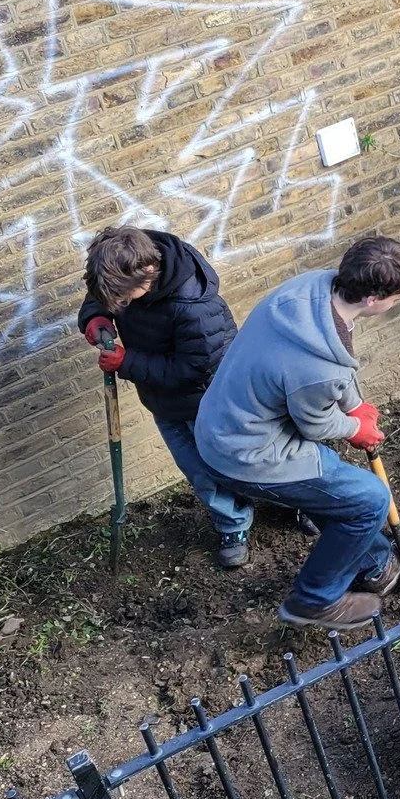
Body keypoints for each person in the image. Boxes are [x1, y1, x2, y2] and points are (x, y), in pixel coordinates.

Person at [195, 236, 400, 630]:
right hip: (247, 454)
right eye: (396, 298)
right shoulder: (317, 367)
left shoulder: (311, 291)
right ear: (373, 298)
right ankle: (313, 600)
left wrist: (354, 404)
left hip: (226, 421)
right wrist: (356, 426)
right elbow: (317, 424)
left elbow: (339, 369)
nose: (396, 305)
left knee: (341, 492)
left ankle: (377, 566)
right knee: (370, 498)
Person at [78, 227, 252, 569]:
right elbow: (100, 294)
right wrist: (95, 317)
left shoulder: (195, 306)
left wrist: (126, 362)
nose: (120, 305)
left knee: (243, 463)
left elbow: (192, 368)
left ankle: (303, 503)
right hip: (162, 400)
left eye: (125, 298)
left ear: (149, 273)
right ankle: (233, 523)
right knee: (197, 470)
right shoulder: (120, 263)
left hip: (207, 400)